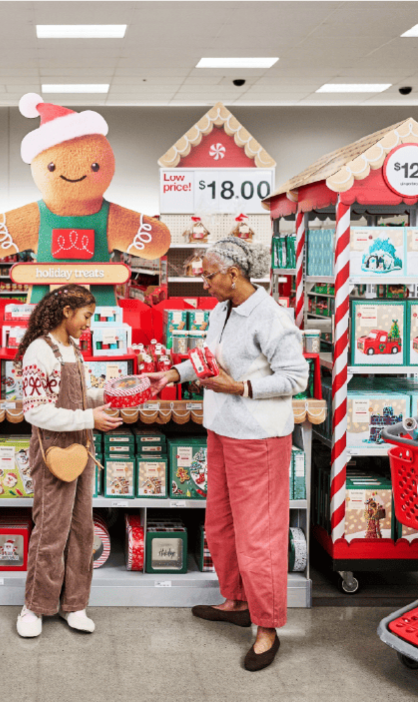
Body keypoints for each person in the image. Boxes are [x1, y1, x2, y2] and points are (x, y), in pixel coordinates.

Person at [146, 238, 309, 671]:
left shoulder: (271, 318)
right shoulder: (221, 311)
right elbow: (207, 361)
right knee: (220, 525)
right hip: (220, 430)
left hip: (258, 438)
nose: (204, 283)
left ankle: (268, 627)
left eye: (209, 275)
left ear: (234, 273)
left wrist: (240, 388)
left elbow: (297, 378)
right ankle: (236, 601)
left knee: (260, 535)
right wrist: (172, 373)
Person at [14, 284, 123, 637]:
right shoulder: (38, 352)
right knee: (50, 530)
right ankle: (34, 606)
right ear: (66, 312)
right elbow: (37, 412)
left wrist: (104, 395)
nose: (88, 325)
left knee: (81, 529)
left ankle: (74, 603)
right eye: (86, 316)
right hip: (53, 453)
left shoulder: (72, 348)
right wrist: (89, 419)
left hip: (81, 449)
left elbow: (77, 397)